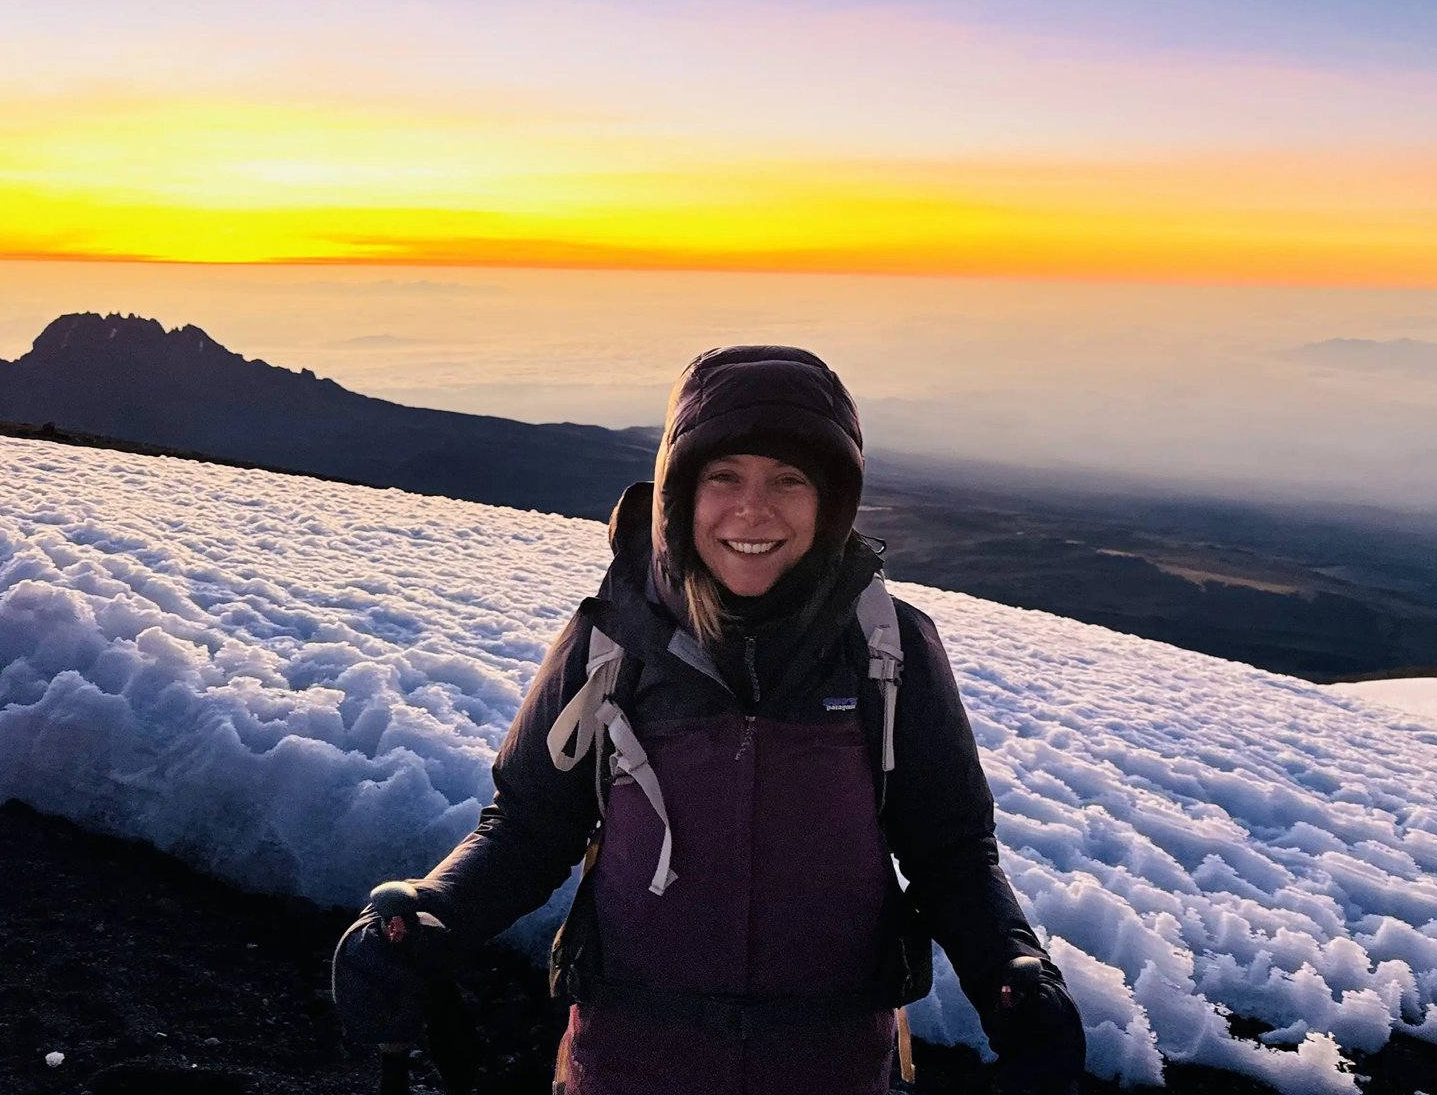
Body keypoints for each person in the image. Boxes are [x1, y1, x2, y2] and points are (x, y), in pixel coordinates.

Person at [334, 345, 1085, 1095]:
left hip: (834, 1069)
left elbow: (950, 848)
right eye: (724, 476)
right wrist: (435, 910)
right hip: (629, 1067)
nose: (753, 509)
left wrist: (1013, 972)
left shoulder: (888, 650)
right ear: (680, 494)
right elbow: (530, 825)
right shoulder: (613, 641)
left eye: (789, 480)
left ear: (831, 502)